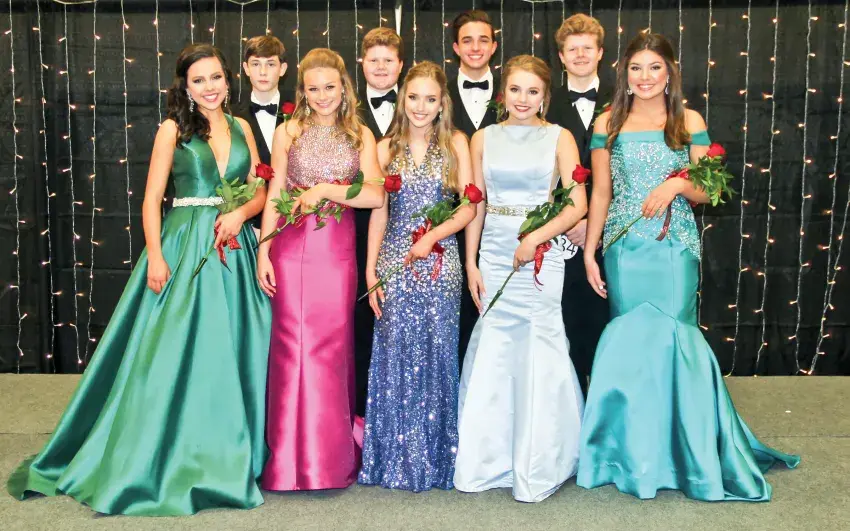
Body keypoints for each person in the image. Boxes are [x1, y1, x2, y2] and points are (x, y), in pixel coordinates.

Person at [7, 44, 270, 515]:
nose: (209, 87)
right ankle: (160, 453)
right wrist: (155, 257)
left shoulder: (242, 127)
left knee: (230, 349)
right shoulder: (173, 130)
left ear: (229, 79)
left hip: (233, 246)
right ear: (185, 87)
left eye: (215, 77)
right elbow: (151, 199)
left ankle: (227, 451)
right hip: (184, 245)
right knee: (172, 354)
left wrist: (242, 214)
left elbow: (260, 188)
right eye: (199, 80)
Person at [577, 32, 800, 501]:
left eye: (654, 67)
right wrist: (590, 251)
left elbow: (709, 191)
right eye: (636, 68)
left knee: (677, 340)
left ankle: (690, 455)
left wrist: (677, 186)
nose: (645, 77)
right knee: (631, 346)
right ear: (624, 74)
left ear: (670, 72)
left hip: (673, 247)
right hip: (624, 248)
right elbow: (600, 193)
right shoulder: (607, 122)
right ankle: (633, 455)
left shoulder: (688, 120)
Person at [454, 55, 586, 503]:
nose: (523, 99)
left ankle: (541, 461)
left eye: (533, 91)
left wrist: (536, 238)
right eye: (515, 90)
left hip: (541, 257)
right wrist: (471, 262)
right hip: (493, 254)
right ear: (503, 92)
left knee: (538, 345)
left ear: (545, 96)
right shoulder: (483, 138)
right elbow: (476, 204)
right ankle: (489, 460)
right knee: (495, 349)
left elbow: (577, 204)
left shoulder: (560, 137)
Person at [256, 48, 384, 492]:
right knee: (291, 346)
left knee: (330, 347)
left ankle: (327, 458)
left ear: (344, 88)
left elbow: (375, 196)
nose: (323, 96)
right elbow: (276, 192)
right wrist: (263, 251)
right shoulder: (288, 131)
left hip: (336, 250)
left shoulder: (360, 135)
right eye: (313, 89)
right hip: (290, 246)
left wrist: (327, 188)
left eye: (330, 87)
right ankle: (287, 460)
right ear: (303, 91)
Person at [358, 61, 475, 492]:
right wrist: (371, 271)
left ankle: (438, 460)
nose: (421, 107)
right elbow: (379, 213)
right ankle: (393, 461)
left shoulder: (457, 144)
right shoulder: (385, 149)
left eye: (430, 99)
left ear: (442, 103)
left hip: (440, 262)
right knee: (395, 359)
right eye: (413, 97)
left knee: (438, 354)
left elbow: (469, 206)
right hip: (396, 262)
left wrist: (433, 237)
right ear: (402, 100)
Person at [546, 13, 612, 397]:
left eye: (588, 48)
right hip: (561, 235)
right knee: (567, 324)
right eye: (573, 49)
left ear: (601, 53)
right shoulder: (543, 102)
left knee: (607, 324)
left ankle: (606, 408)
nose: (581, 55)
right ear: (561, 56)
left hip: (614, 232)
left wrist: (596, 222)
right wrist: (569, 220)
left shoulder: (625, 101)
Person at [354, 26, 405, 417]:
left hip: (407, 236)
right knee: (359, 325)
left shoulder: (419, 105)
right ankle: (360, 414)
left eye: (389, 60)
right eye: (374, 60)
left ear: (401, 65)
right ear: (362, 63)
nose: (382, 67)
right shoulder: (345, 110)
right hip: (356, 233)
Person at [447, 9, 500, 366]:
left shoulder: (517, 93)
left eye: (483, 40)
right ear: (456, 47)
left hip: (503, 226)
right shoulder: (436, 95)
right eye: (467, 40)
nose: (476, 47)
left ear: (494, 46)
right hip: (449, 224)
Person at [232, 34, 290, 234]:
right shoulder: (231, 117)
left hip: (294, 218)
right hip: (248, 224)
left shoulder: (302, 113)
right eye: (256, 64)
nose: (263, 72)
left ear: (282, 69)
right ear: (246, 68)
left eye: (270, 64)